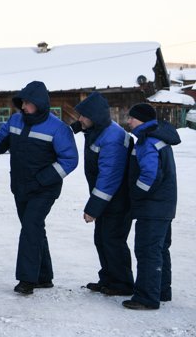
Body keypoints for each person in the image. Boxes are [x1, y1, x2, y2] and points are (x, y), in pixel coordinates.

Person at [0, 81, 78, 295]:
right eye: (22, 102)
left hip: (44, 190)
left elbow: (69, 160)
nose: (23, 107)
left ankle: (27, 280)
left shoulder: (58, 128)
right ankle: (44, 276)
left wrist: (42, 179)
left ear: (40, 104)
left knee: (30, 228)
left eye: (28, 103)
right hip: (20, 187)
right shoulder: (16, 120)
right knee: (34, 229)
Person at [71, 92, 134, 296]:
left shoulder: (113, 138)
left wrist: (93, 209)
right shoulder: (98, 129)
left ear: (95, 117)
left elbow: (109, 177)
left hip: (117, 199)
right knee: (102, 238)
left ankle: (122, 283)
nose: (79, 119)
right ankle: (108, 279)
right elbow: (80, 127)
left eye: (83, 116)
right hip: (108, 199)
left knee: (112, 240)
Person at [123, 103, 180, 310]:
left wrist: (135, 195)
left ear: (141, 120)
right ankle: (162, 291)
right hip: (164, 206)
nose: (128, 121)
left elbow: (150, 176)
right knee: (160, 249)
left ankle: (146, 297)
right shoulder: (158, 138)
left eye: (131, 118)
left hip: (152, 207)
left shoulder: (148, 142)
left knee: (148, 251)